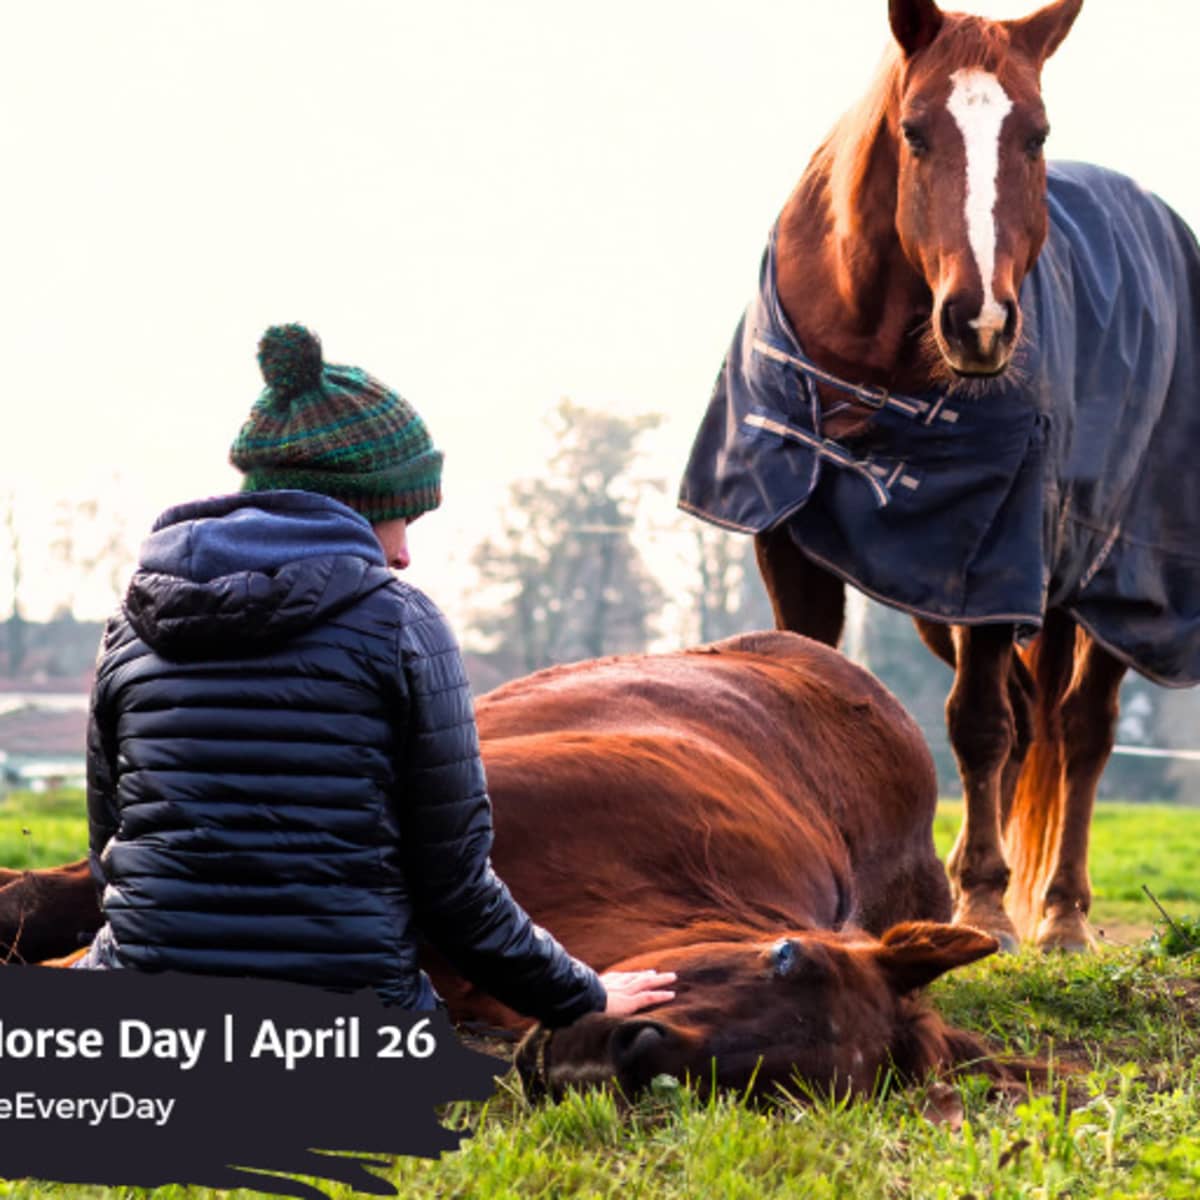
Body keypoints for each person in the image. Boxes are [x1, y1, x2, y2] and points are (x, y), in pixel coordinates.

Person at [81, 323, 675, 1027]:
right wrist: (583, 995)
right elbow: (454, 890)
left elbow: (109, 854)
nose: (403, 555)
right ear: (357, 508)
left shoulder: (132, 622)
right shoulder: (400, 625)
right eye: (403, 520)